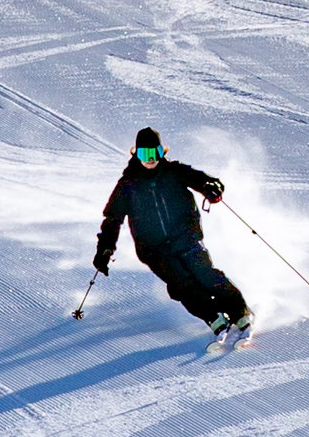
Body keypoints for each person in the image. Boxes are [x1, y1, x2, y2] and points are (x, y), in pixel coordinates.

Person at [93, 127, 253, 339]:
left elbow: (202, 180)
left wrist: (211, 188)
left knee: (204, 273)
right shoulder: (128, 184)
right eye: (144, 154)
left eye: (154, 153)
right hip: (154, 249)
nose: (150, 159)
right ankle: (213, 317)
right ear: (136, 154)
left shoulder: (175, 172)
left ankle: (239, 311)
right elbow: (113, 219)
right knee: (182, 284)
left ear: (162, 152)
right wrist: (105, 249)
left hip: (186, 237)